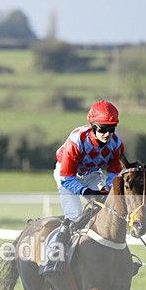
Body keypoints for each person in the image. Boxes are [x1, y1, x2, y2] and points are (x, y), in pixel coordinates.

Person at [50, 100, 124, 264]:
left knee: (109, 209)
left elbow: (113, 171)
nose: (107, 134)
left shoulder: (116, 144)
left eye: (111, 129)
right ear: (92, 126)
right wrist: (86, 192)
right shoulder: (77, 141)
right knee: (75, 215)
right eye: (102, 129)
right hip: (68, 175)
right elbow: (66, 177)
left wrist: (107, 188)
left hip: (91, 174)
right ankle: (55, 259)